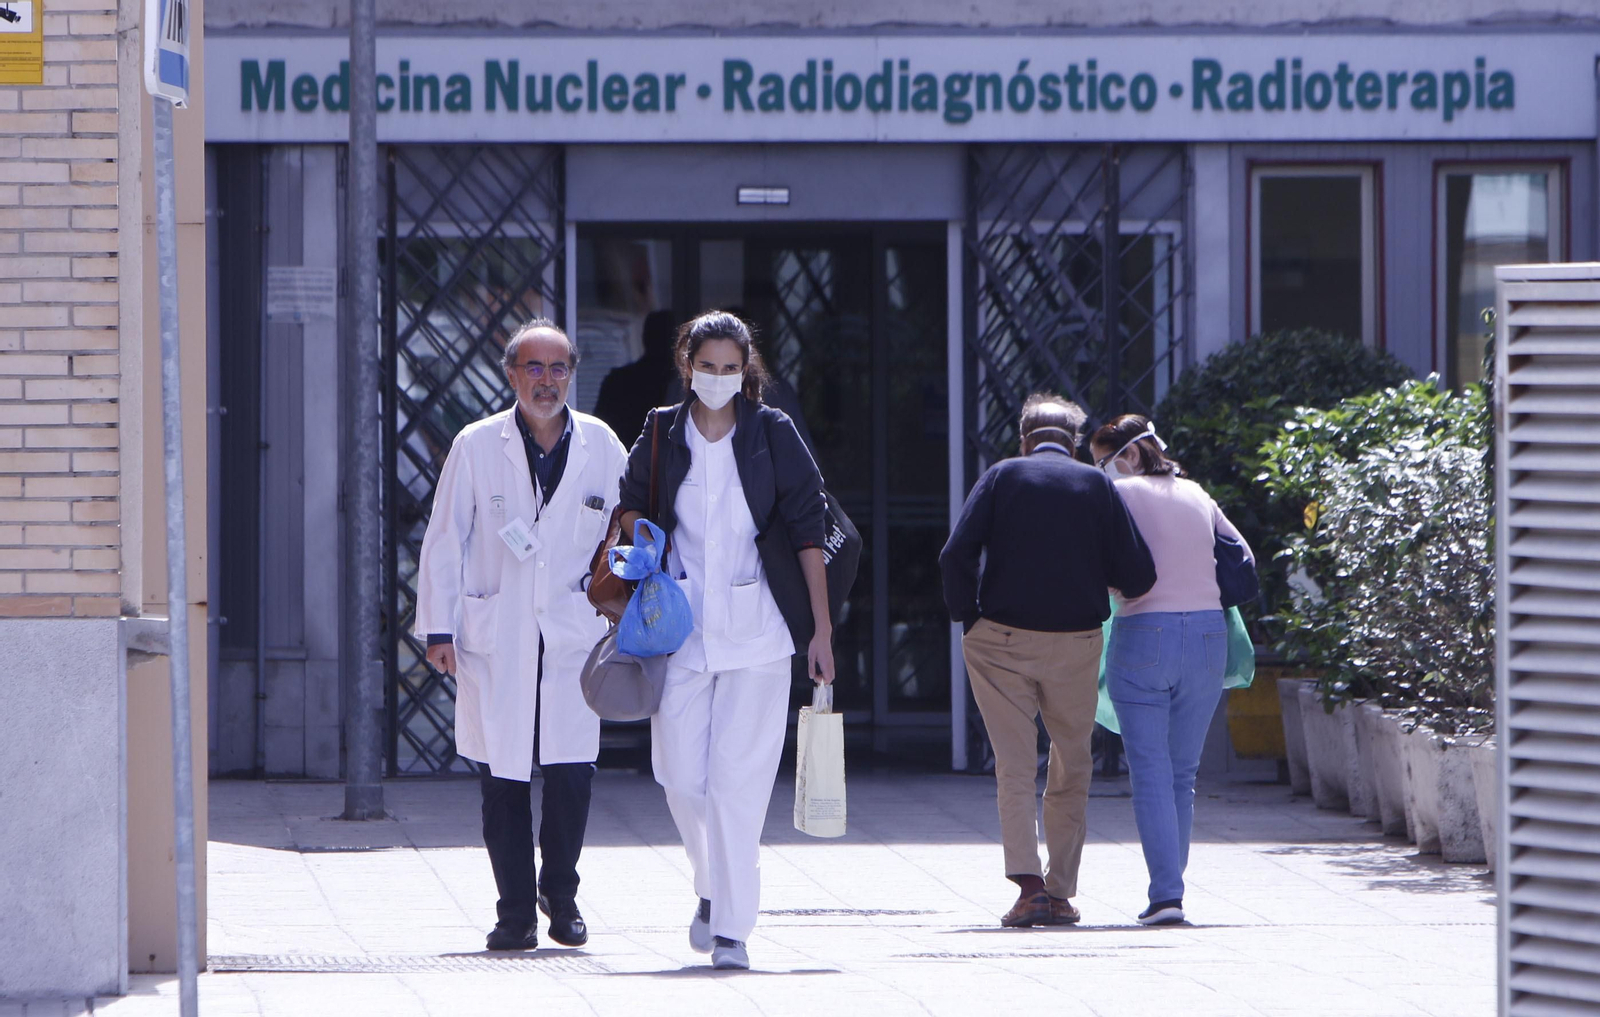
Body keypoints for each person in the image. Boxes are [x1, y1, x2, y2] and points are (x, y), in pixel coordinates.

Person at [617, 310, 834, 971]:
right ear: (686, 365)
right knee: (681, 776)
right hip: (679, 627)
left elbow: (809, 530)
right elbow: (630, 503)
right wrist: (640, 537)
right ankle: (711, 881)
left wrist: (820, 629)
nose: (717, 378)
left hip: (761, 631)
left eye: (729, 368)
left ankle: (733, 929)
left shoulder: (771, 432)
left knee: (738, 786)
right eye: (706, 367)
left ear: (747, 370)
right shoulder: (662, 430)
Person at [413, 318, 629, 952]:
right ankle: (515, 915)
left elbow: (626, 529)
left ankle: (560, 896)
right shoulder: (477, 446)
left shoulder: (602, 444)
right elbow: (444, 538)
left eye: (558, 368)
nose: (547, 380)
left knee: (572, 771)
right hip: (498, 632)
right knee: (502, 775)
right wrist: (439, 628)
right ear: (511, 376)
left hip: (573, 633)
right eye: (533, 368)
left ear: (572, 375)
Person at [939, 394, 1156, 928]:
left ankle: (1028, 887)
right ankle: (1060, 892)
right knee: (1072, 761)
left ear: (1024, 439)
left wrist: (969, 617)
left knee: (1014, 764)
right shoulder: (1097, 484)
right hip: (1076, 643)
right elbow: (1138, 574)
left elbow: (955, 554)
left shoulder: (1001, 476)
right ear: (1076, 441)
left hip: (1003, 642)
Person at [1090, 414, 1250, 927]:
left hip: (1145, 634)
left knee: (1152, 772)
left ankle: (1166, 896)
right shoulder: (1199, 493)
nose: (1102, 473)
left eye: (1104, 463)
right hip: (1208, 637)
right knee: (1182, 774)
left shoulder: (1123, 496)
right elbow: (1241, 555)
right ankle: (1170, 889)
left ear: (1131, 455)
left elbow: (1101, 563)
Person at [593, 308, 678, 448]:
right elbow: (599, 432)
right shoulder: (618, 382)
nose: (664, 344)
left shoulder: (685, 385)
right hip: (621, 461)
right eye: (662, 336)